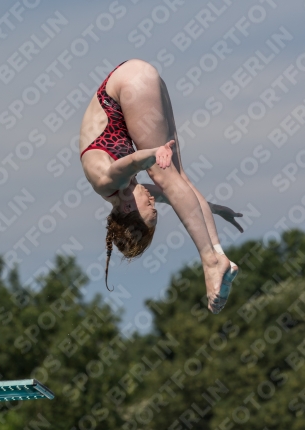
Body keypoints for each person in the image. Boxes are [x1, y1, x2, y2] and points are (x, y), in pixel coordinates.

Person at [80, 60, 242, 313]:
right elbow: (180, 195)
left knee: (165, 177)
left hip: (129, 83)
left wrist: (155, 153)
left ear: (127, 209)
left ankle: (209, 262)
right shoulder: (125, 192)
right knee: (179, 179)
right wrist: (213, 209)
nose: (154, 203)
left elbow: (134, 160)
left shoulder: (106, 181)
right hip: (142, 81)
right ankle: (220, 256)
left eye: (151, 212)